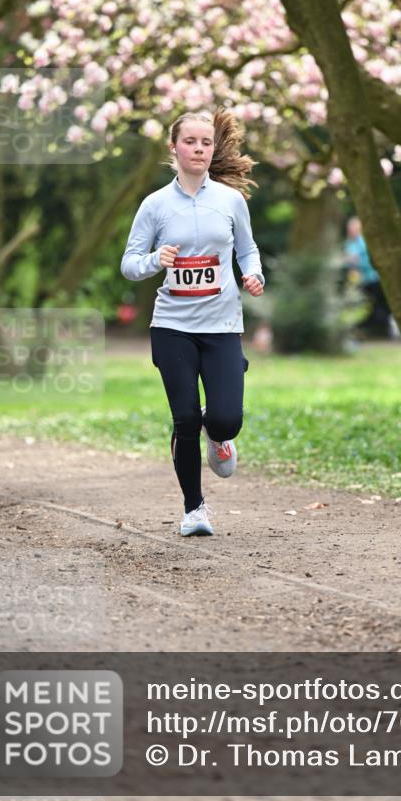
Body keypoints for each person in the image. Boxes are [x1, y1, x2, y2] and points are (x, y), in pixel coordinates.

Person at [120, 108, 264, 537]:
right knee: (183, 419)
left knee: (226, 419)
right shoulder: (156, 205)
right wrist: (154, 260)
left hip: (221, 325)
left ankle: (217, 433)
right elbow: (129, 264)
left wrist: (253, 275)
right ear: (174, 147)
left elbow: (248, 250)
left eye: (205, 142)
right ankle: (194, 509)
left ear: (213, 148)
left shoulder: (230, 201)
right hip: (172, 326)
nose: (198, 149)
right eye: (190, 142)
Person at [344, 216, 393, 338]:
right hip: (361, 280)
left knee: (378, 307)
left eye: (354, 228)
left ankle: (381, 331)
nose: (351, 230)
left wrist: (355, 261)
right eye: (350, 228)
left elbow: (368, 260)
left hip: (374, 279)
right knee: (367, 307)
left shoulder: (363, 242)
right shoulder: (349, 243)